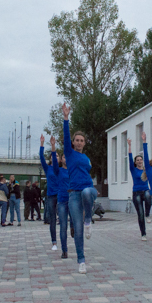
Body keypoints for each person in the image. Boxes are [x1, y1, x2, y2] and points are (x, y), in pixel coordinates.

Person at [62, 103, 96, 274]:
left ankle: (88, 218)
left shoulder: (87, 158)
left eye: (82, 141)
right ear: (73, 142)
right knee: (78, 228)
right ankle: (81, 260)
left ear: (84, 143)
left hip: (88, 190)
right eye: (77, 140)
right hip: (74, 195)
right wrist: (66, 118)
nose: (79, 143)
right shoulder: (69, 154)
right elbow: (66, 136)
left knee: (87, 192)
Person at [127, 138, 150, 241]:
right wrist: (129, 146)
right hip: (136, 193)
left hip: (146, 191)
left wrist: (144, 142)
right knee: (140, 213)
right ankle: (143, 234)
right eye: (138, 160)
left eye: (141, 160)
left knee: (148, 195)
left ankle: (148, 214)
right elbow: (130, 157)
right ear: (135, 162)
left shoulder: (146, 170)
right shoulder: (133, 170)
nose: (140, 161)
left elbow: (147, 156)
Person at [40, 135, 59, 250]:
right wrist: (42, 144)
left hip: (61, 195)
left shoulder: (61, 169)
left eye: (57, 155)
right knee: (52, 219)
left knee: (63, 217)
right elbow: (41, 158)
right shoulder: (48, 168)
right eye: (53, 156)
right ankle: (54, 242)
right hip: (51, 196)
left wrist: (53, 146)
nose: (55, 157)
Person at [53, 149, 72, 258]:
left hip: (73, 200)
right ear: (61, 160)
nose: (66, 159)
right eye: (64, 157)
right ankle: (64, 250)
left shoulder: (73, 171)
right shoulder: (58, 171)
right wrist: (53, 147)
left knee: (75, 222)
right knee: (63, 226)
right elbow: (54, 163)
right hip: (62, 201)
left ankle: (73, 227)